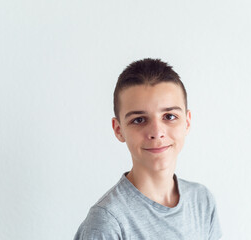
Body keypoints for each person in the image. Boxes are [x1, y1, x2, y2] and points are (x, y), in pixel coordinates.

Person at [74, 58, 222, 240]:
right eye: (139, 120)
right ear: (118, 129)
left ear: (187, 121)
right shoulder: (108, 221)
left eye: (169, 116)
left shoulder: (202, 201)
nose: (157, 132)